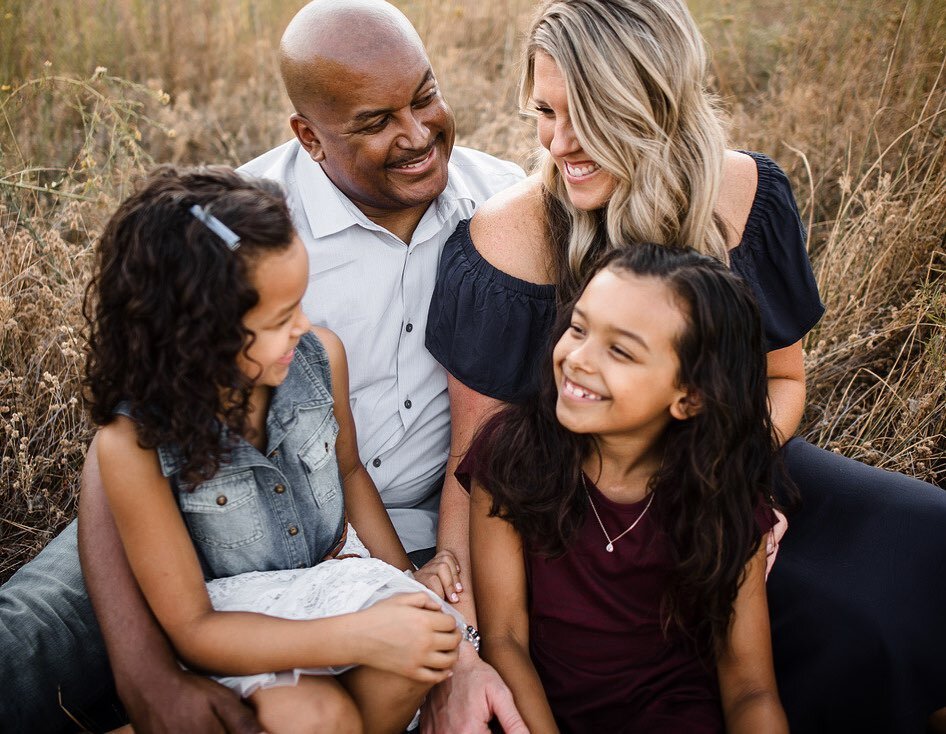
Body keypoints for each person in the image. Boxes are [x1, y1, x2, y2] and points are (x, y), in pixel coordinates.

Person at [0, 2, 527, 732]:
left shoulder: (509, 209)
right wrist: (147, 676)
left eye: (426, 96)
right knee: (25, 647)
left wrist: (437, 596)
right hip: (188, 512)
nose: (416, 135)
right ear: (309, 136)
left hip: (370, 540)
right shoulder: (239, 232)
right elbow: (121, 441)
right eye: (375, 122)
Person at [425, 0, 946, 732]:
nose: (560, 143)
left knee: (925, 544)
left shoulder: (747, 195)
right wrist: (465, 655)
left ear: (654, 106)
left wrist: (722, 485)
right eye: (544, 111)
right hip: (583, 515)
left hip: (733, 467)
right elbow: (472, 461)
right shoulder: (505, 241)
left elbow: (783, 380)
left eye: (591, 116)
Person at [87, 164, 467, 733]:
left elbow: (350, 471)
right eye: (281, 318)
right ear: (199, 336)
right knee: (320, 716)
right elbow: (194, 627)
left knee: (423, 652)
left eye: (301, 305)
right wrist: (357, 636)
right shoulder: (134, 446)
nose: (304, 327)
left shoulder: (320, 358)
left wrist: (404, 579)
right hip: (235, 620)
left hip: (332, 578)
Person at [464, 243, 788, 732]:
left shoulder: (719, 495)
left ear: (690, 395)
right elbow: (505, 637)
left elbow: (749, 686)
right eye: (578, 328)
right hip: (537, 713)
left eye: (620, 350)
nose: (578, 359)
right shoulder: (514, 455)